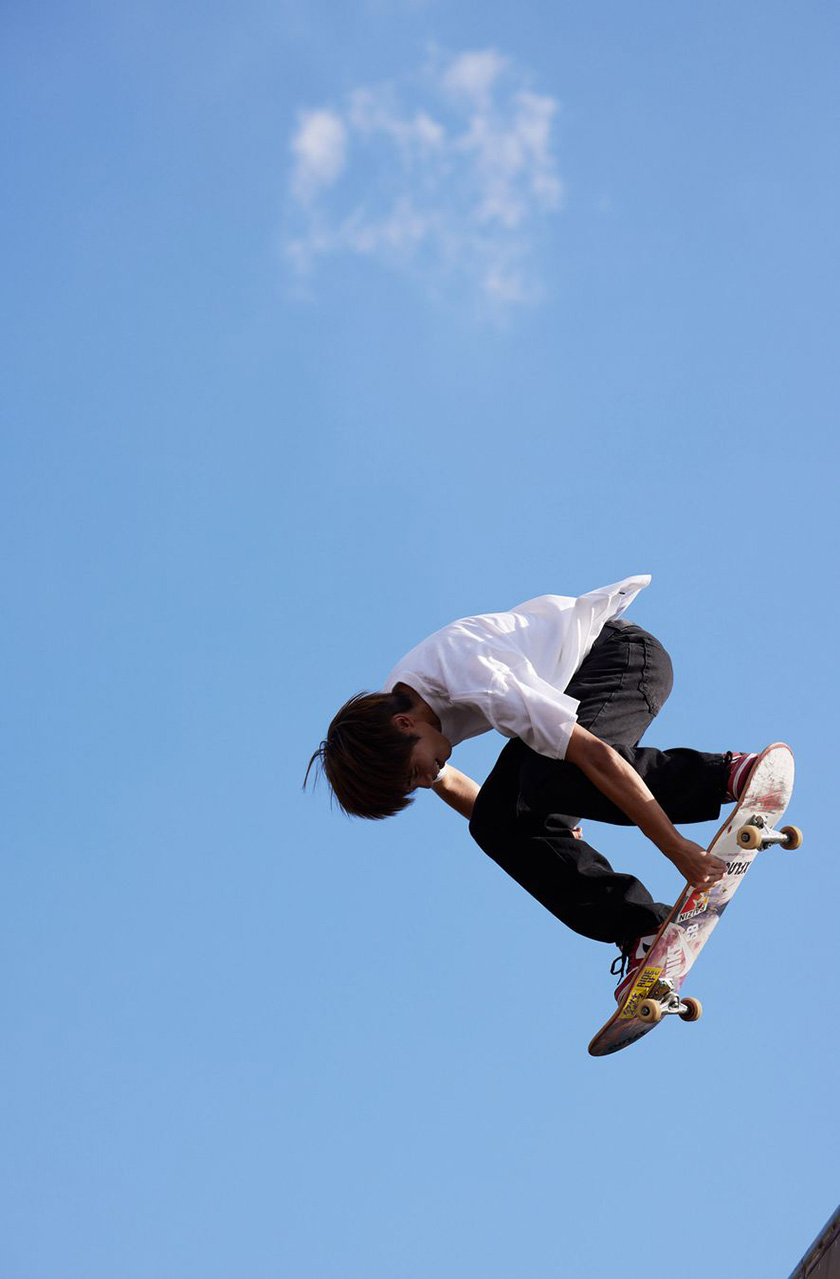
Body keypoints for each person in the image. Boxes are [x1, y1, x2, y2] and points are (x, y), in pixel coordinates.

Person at [305, 575, 757, 1003]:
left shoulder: (473, 676)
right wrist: (543, 835)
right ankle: (644, 932)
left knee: (553, 776)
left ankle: (729, 774)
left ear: (405, 726)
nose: (427, 778)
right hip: (571, 690)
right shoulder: (400, 714)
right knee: (493, 824)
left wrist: (674, 847)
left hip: (622, 656)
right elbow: (459, 787)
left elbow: (594, 756)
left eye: (415, 773)